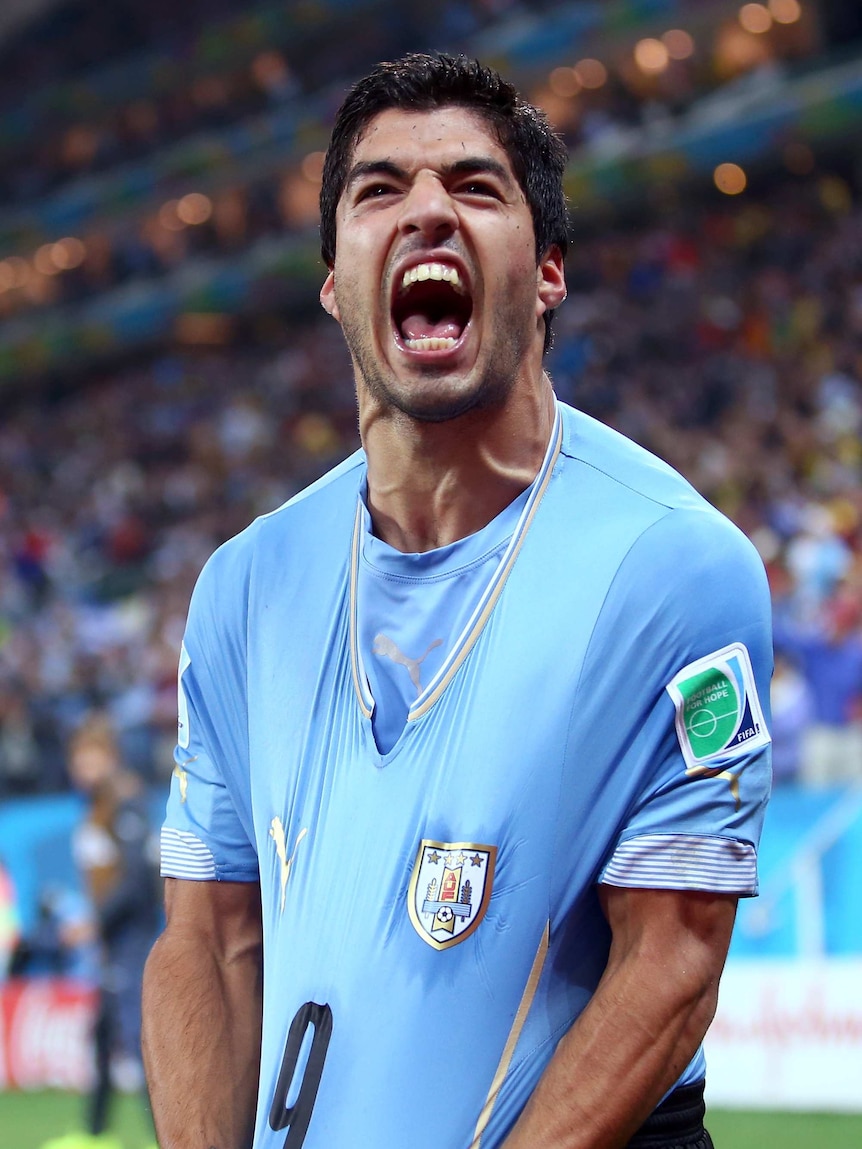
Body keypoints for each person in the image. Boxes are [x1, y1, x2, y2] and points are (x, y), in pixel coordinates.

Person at [142, 53, 773, 1149]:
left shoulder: (671, 564)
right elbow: (206, 941)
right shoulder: (245, 586)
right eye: (379, 190)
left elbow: (670, 963)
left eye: (476, 188)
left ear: (546, 273)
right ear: (336, 280)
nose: (427, 210)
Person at [43, 713, 160, 1149]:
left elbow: (136, 882)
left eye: (90, 759)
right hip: (112, 949)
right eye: (78, 760)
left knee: (138, 1041)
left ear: (109, 758)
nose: (82, 769)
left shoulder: (126, 804)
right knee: (103, 1039)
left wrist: (95, 921)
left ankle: (169, 1135)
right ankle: (94, 1136)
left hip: (134, 944)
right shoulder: (93, 808)